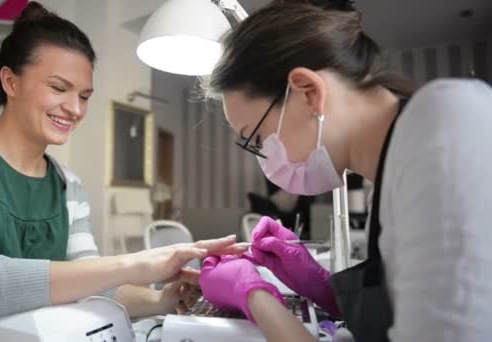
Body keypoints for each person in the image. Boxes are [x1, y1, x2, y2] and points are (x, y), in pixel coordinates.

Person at [0, 3, 246, 342]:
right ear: (10, 82)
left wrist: (165, 300)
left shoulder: (68, 185)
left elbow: (91, 281)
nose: (74, 108)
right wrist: (135, 263)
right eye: (59, 88)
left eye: (85, 96)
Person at [198, 0, 492, 341]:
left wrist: (256, 296)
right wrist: (318, 284)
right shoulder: (392, 168)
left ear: (308, 92)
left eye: (256, 138)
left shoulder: (445, 125)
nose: (262, 158)